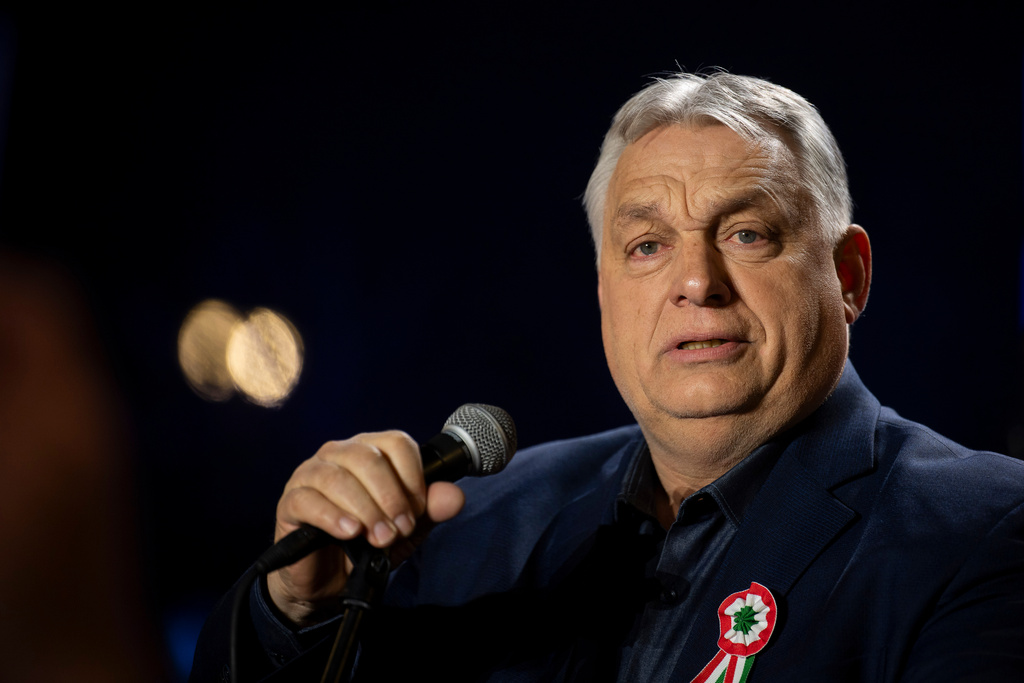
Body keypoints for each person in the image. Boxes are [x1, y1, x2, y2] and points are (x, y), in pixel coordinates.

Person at [190, 72, 1024, 681]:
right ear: (604, 293)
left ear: (849, 277)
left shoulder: (986, 531)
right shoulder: (467, 525)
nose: (695, 281)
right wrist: (296, 612)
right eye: (647, 246)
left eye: (747, 234)